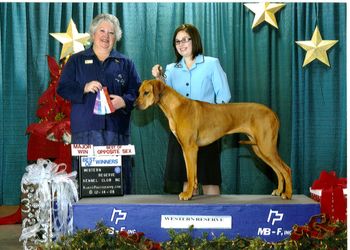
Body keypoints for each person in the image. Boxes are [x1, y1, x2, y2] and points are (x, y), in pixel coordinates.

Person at [57, 14, 141, 194]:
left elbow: (138, 92)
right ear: (93, 34)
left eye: (111, 33)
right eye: (102, 31)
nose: (106, 36)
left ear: (116, 38)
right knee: (87, 183)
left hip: (116, 131)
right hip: (85, 131)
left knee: (117, 183)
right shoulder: (76, 60)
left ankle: (121, 219)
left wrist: (124, 101)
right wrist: (83, 87)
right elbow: (62, 88)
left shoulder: (126, 63)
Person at [152, 24, 231, 195]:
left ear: (194, 40)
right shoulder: (171, 69)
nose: (181, 44)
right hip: (182, 131)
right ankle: (190, 221)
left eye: (185, 40)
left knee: (210, 181)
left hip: (207, 129)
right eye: (177, 41)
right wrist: (159, 78)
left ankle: (216, 220)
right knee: (188, 184)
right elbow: (165, 98)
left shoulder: (211, 63)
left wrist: (218, 123)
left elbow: (224, 95)